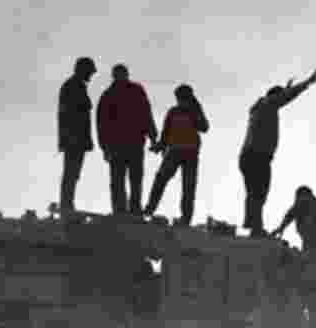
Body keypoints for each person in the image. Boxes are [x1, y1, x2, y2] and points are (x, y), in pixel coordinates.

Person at [239, 69, 316, 238]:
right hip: (257, 156)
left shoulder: (260, 107)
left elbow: (282, 95)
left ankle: (253, 225)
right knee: (259, 192)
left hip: (249, 156)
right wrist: (307, 82)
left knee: (255, 193)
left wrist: (285, 88)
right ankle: (255, 228)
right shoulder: (268, 104)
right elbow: (287, 96)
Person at [96, 64, 159, 216]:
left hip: (132, 143)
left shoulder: (116, 93)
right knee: (123, 179)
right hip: (122, 145)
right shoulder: (111, 94)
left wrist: (152, 137)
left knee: (131, 179)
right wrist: (104, 147)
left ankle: (130, 210)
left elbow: (146, 113)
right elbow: (102, 124)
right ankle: (123, 211)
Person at [144, 84, 209, 226]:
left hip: (189, 152)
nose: (180, 100)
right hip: (175, 151)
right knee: (161, 179)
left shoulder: (194, 110)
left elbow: (204, 127)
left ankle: (185, 218)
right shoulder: (173, 112)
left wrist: (194, 113)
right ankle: (149, 210)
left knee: (188, 186)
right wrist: (159, 146)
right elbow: (165, 134)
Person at [58, 57, 97, 217]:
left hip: (74, 139)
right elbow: (69, 116)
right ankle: (67, 204)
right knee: (71, 173)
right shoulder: (73, 86)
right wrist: (69, 139)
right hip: (74, 139)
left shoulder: (75, 85)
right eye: (90, 72)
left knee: (72, 173)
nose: (91, 75)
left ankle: (67, 203)